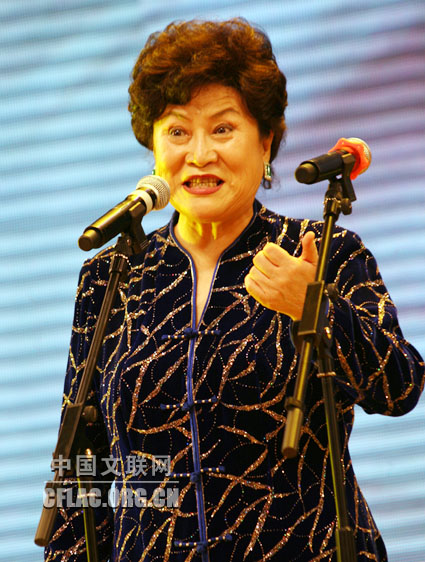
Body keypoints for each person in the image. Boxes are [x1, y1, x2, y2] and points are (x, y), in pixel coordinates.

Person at [44, 18, 424, 562]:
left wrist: (315, 306)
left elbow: (400, 386)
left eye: (222, 129)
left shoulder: (323, 251)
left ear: (265, 142)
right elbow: (83, 464)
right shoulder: (111, 278)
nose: (199, 154)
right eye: (178, 132)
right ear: (153, 148)